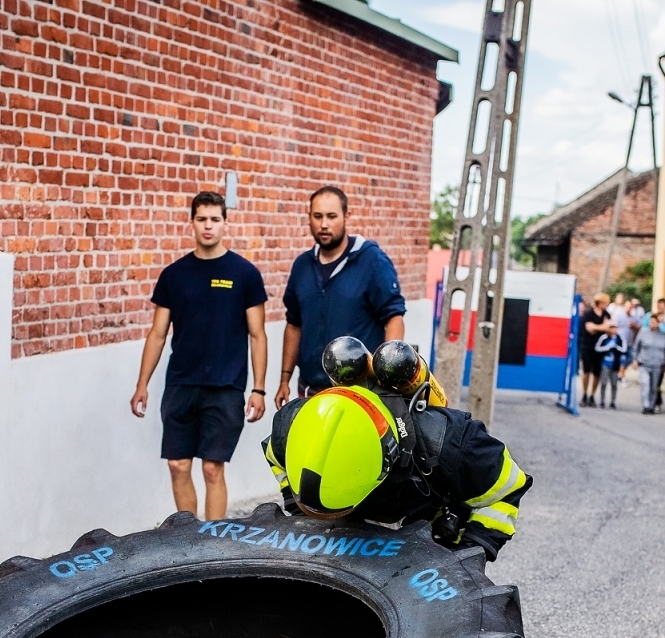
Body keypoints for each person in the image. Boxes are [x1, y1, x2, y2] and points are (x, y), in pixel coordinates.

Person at [262, 376, 532, 561]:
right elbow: (275, 458)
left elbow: (507, 490)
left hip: (429, 525)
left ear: (383, 470)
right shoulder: (290, 426)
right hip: (355, 525)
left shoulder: (453, 444)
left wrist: (467, 555)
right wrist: (302, 513)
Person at [130, 191, 269, 521]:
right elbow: (158, 334)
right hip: (181, 383)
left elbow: (257, 334)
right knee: (178, 465)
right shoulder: (174, 275)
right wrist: (142, 384)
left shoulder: (245, 274)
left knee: (211, 468)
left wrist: (259, 388)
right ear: (191, 222)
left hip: (225, 386)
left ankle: (214, 544)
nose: (208, 226)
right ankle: (189, 539)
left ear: (225, 223)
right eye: (202, 219)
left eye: (215, 220)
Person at [277, 186, 405, 405]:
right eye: (317, 216)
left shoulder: (372, 261)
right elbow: (294, 324)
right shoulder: (302, 265)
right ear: (309, 217)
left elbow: (393, 318)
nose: (324, 224)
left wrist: (386, 376)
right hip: (309, 391)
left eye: (331, 216)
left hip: (359, 393)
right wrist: (284, 379)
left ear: (347, 216)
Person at [578, 291, 618, 407]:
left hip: (601, 347)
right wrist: (603, 327)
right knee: (586, 371)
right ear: (599, 303)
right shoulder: (588, 314)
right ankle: (584, 393)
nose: (606, 305)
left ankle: (592, 395)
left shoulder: (607, 315)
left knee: (597, 372)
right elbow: (589, 328)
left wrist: (598, 328)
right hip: (588, 345)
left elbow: (610, 329)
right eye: (604, 302)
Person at [632, 312, 665, 415]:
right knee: (645, 384)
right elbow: (636, 347)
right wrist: (635, 360)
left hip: (657, 364)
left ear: (658, 323)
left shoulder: (663, 336)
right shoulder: (643, 333)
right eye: (651, 322)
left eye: (654, 322)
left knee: (654, 387)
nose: (652, 324)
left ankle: (651, 405)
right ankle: (645, 405)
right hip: (644, 363)